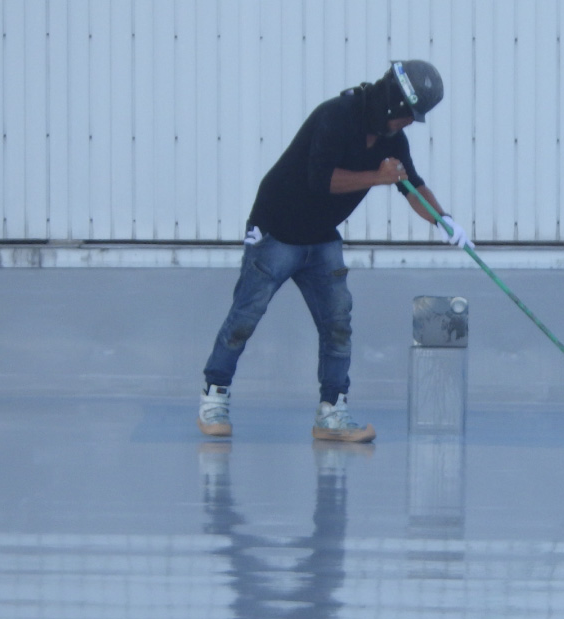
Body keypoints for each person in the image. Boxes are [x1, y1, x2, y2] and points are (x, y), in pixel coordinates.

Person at [198, 60, 472, 443]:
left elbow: (412, 185)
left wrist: (443, 220)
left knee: (338, 323)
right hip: (275, 232)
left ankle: (332, 412)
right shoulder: (336, 116)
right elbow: (321, 180)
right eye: (410, 115)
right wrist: (379, 177)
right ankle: (214, 396)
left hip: (321, 238)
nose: (409, 123)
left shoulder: (393, 140)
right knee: (246, 315)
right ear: (394, 103)